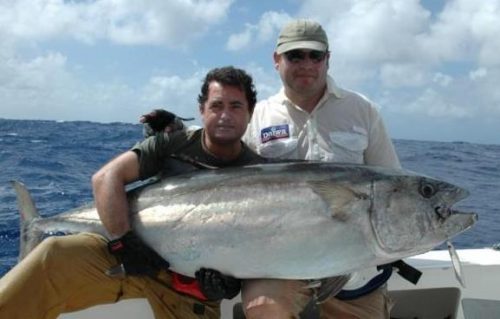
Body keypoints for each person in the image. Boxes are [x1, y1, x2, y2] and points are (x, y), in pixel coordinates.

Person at [0, 66, 264, 319]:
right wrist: (124, 243)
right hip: (128, 260)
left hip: (186, 293)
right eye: (216, 106)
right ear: (202, 110)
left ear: (250, 111)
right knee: (54, 253)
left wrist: (230, 285)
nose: (225, 115)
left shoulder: (262, 175)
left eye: (236, 106)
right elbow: (105, 178)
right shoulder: (171, 143)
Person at [240, 19, 401, 319]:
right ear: (277, 60)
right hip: (278, 263)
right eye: (295, 55)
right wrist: (170, 138)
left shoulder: (362, 110)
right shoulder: (257, 116)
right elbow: (226, 176)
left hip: (354, 269)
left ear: (328, 59)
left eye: (315, 56)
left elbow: (393, 184)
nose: (306, 64)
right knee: (262, 310)